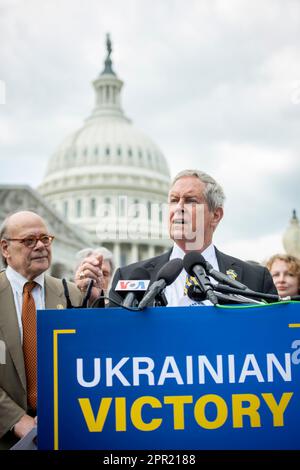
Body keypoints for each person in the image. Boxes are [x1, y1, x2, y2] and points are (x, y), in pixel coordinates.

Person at [75, 169, 277, 306]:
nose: (178, 208)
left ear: (215, 215)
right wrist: (95, 301)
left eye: (190, 201)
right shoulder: (129, 278)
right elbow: (110, 343)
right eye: (173, 200)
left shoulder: (254, 279)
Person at [0, 210, 82, 448]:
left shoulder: (71, 294)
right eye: (29, 241)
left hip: (65, 433)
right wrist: (16, 420)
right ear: (5, 249)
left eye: (45, 239)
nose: (40, 246)